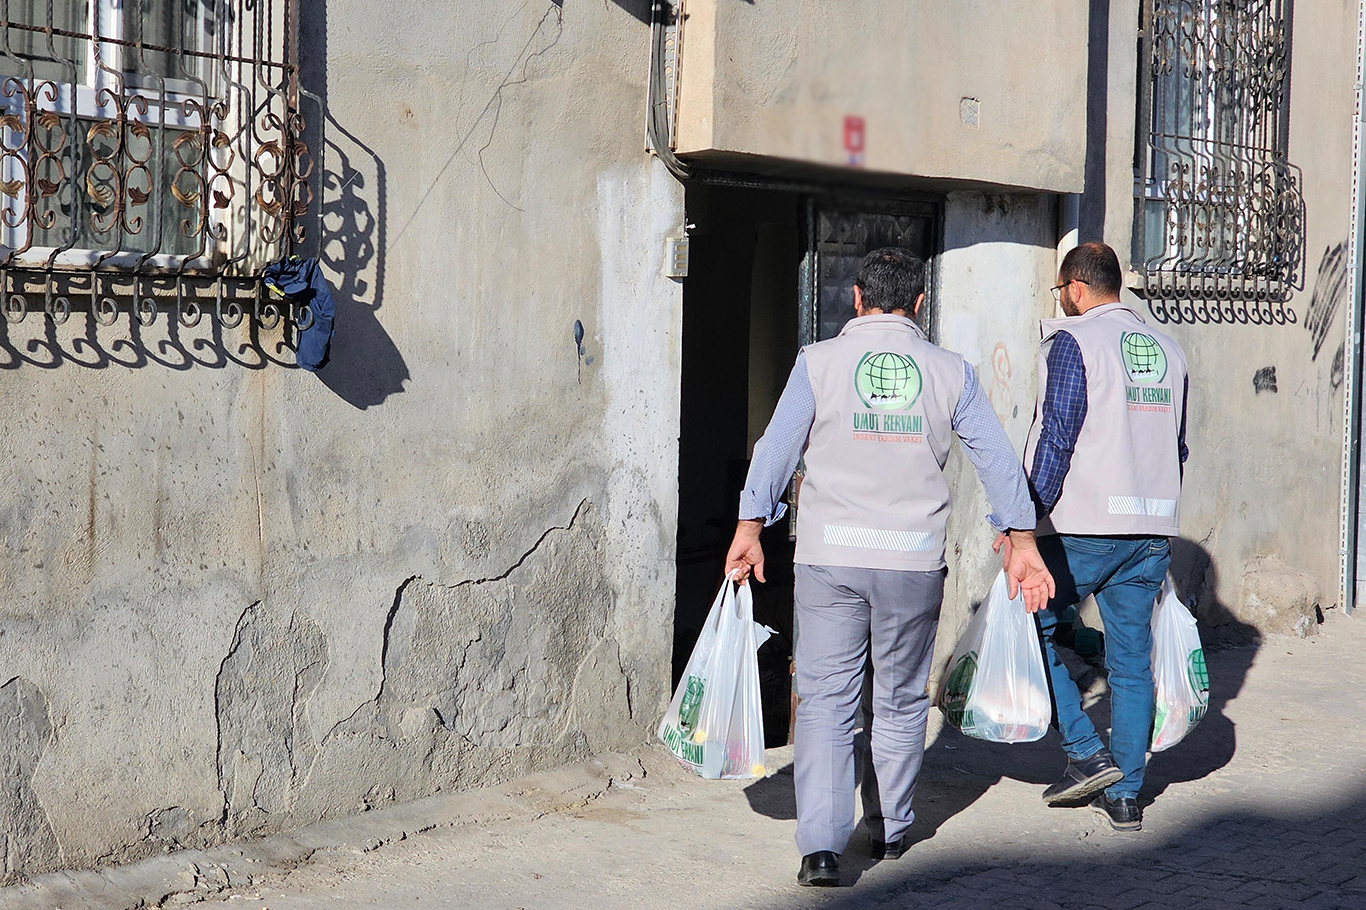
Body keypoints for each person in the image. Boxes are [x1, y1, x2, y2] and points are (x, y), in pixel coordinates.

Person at [724, 247, 1054, 887]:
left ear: (855, 298)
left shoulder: (817, 363)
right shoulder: (949, 371)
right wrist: (1020, 536)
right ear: (920, 303)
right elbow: (996, 458)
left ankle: (821, 849)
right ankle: (891, 828)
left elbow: (774, 449)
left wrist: (748, 527)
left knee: (824, 701)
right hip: (911, 562)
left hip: (828, 558)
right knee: (900, 698)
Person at [1011, 241, 1189, 832]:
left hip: (1085, 526)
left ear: (1078, 290)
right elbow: (1178, 446)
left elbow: (1055, 436)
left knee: (1024, 619)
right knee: (1133, 661)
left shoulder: (1074, 341)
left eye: (1061, 292)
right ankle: (1127, 798)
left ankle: (1086, 750)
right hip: (1151, 530)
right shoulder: (1169, 350)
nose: (1060, 302)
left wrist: (1025, 524)